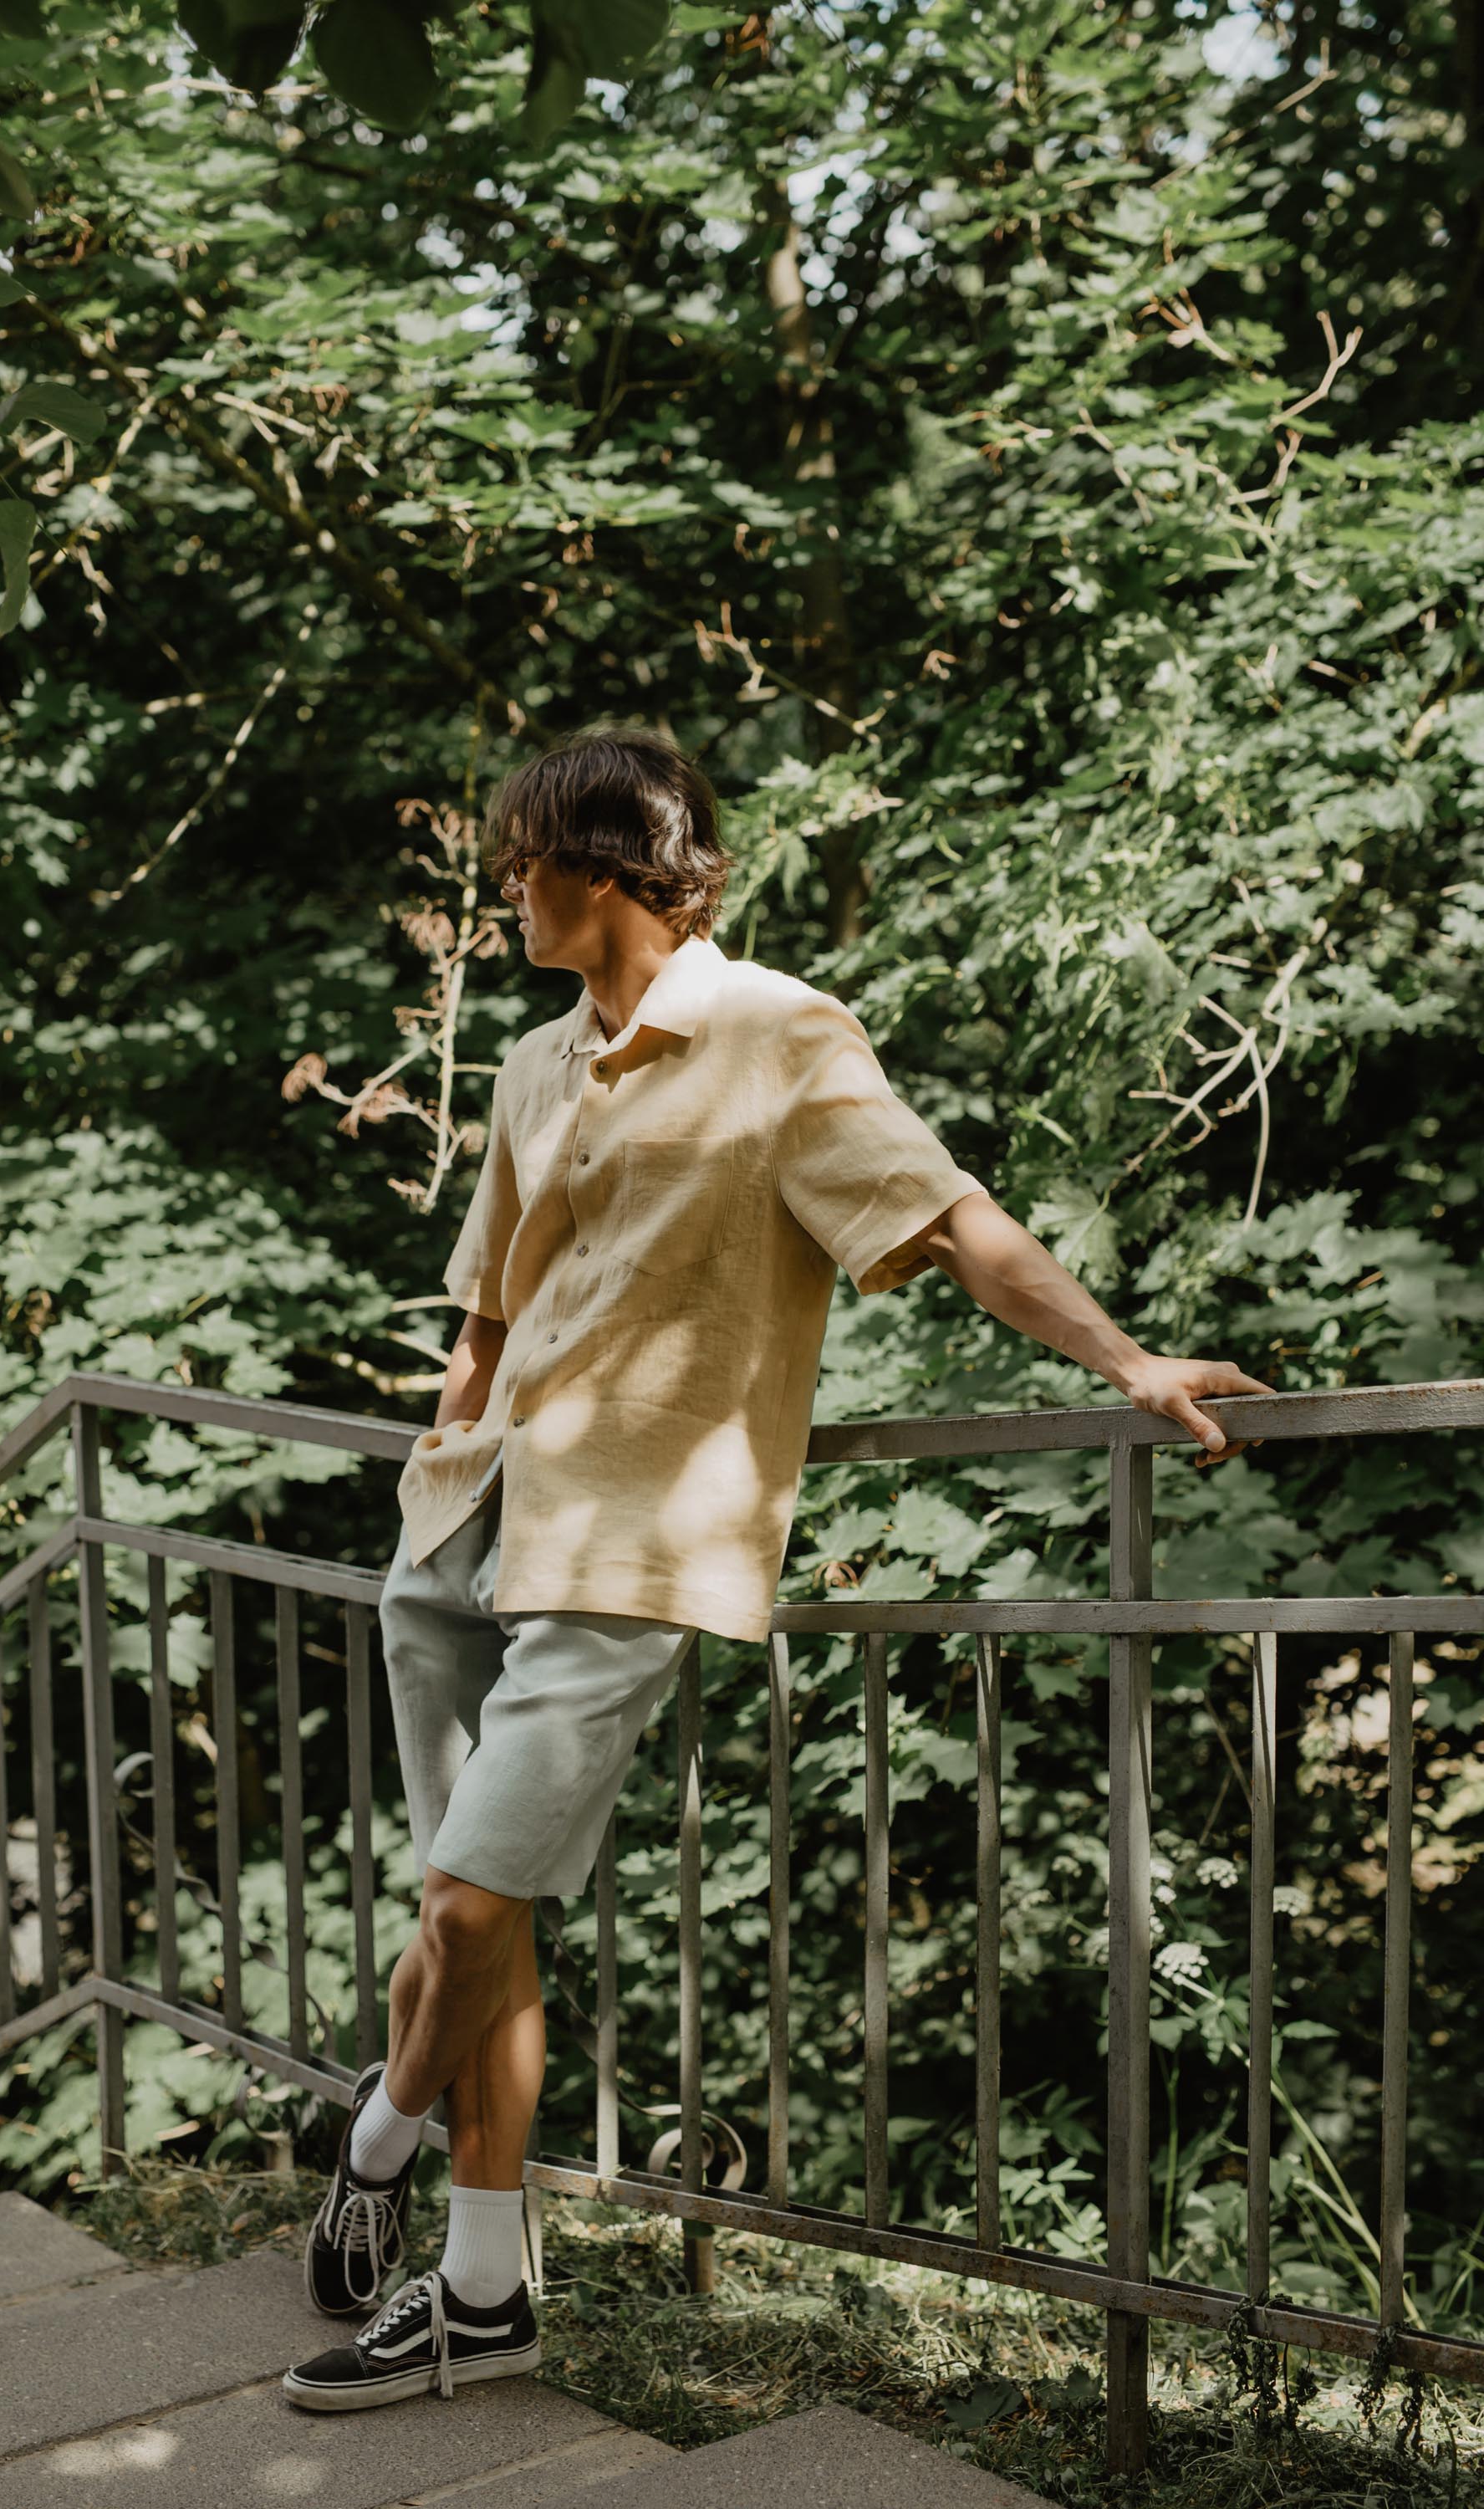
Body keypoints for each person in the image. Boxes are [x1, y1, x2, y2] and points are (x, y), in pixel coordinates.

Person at [282, 723, 1271, 2414]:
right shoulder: (530, 1064)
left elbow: (949, 1217)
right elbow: (488, 1312)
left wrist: (1126, 1366)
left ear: (601, 866)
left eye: (521, 861)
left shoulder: (779, 1037)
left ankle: (373, 2144)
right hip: (468, 1524)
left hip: (635, 1539)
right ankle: (485, 2288)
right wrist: (428, 1496)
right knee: (479, 1923)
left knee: (463, 1904)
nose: (504, 889)